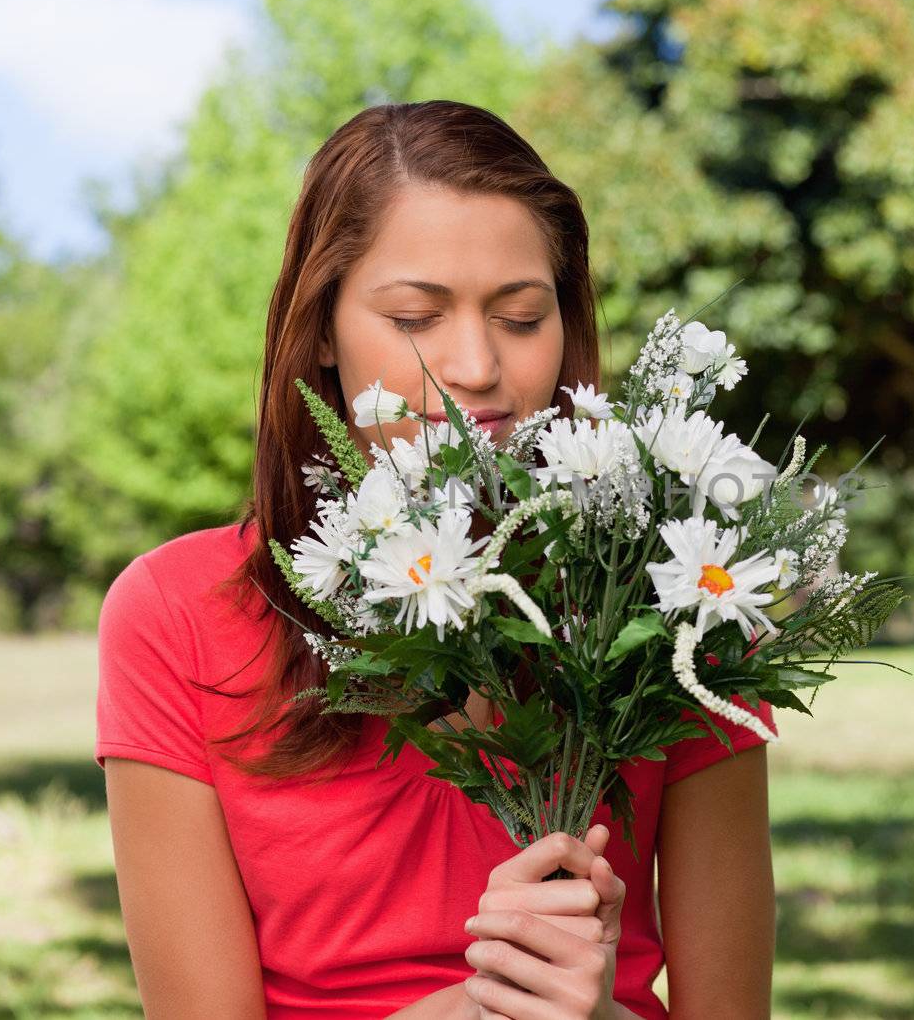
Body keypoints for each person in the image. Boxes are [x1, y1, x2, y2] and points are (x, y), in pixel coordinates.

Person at [94, 100, 776, 1020]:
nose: (477, 364)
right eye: (416, 315)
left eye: (523, 317)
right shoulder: (178, 612)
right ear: (323, 333)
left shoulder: (678, 602)